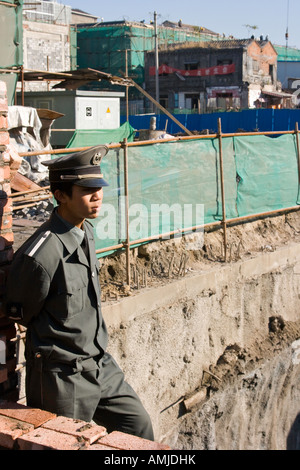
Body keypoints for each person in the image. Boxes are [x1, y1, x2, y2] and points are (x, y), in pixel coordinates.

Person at [5, 145, 154, 441]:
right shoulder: (42, 254)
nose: (97, 196)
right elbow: (21, 311)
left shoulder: (85, 232)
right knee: (63, 443)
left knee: (138, 427)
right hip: (62, 378)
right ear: (60, 195)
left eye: (98, 187)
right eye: (86, 189)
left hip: (99, 365)